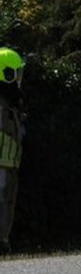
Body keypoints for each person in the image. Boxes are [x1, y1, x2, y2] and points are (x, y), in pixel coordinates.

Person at [0, 48, 24, 249]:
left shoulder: (11, 103)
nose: (18, 79)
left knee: (6, 202)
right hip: (1, 162)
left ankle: (3, 241)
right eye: (15, 73)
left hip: (9, 162)